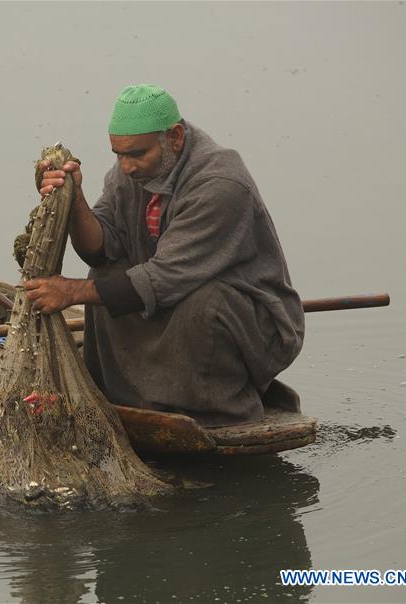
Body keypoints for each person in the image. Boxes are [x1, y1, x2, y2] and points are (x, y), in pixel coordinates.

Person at [26, 84, 304, 427]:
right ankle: (126, 397)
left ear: (173, 137)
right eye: (118, 154)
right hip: (171, 295)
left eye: (136, 154)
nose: (126, 167)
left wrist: (68, 292)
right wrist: (76, 197)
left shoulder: (220, 183)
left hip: (252, 320)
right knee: (104, 278)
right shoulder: (130, 172)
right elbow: (100, 249)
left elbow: (164, 278)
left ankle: (215, 411)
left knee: (205, 301)